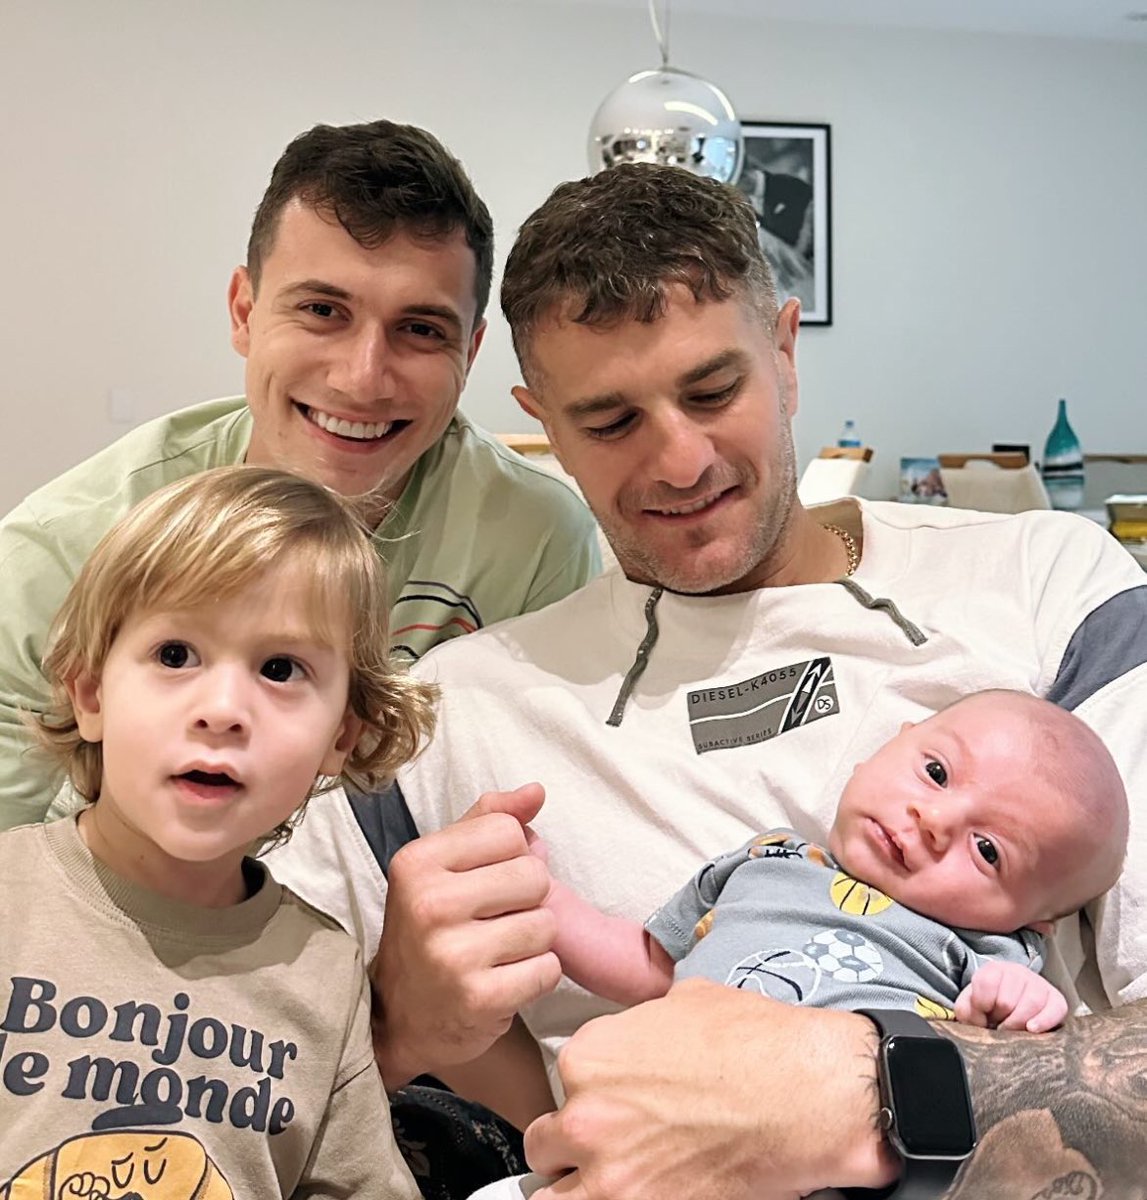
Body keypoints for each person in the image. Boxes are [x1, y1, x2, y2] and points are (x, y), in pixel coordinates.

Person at [268, 163, 1147, 1198]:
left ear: (784, 351)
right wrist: (398, 1025)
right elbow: (235, 1056)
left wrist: (855, 1100)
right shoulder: (450, 717)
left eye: (712, 392)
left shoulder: (1049, 589)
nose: (680, 463)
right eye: (609, 422)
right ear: (541, 421)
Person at [0, 117, 600, 832]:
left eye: (420, 329)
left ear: (469, 353)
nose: (362, 378)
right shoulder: (62, 548)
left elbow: (528, 799)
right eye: (321, 310)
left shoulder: (534, 540)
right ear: (245, 312)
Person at [0, 465, 435, 1198]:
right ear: (91, 693)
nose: (224, 709)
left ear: (341, 735)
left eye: (280, 669)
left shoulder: (323, 972)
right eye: (175, 655)